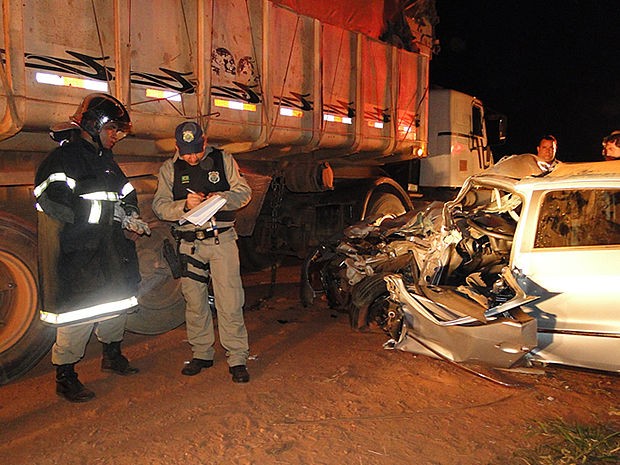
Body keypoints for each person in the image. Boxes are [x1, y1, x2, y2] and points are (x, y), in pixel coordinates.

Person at [34, 93, 150, 402]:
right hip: (78, 254)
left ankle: (111, 355)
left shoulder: (106, 161)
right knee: (79, 314)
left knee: (115, 301)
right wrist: (106, 216)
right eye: (112, 128)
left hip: (109, 250)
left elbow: (126, 191)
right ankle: (65, 375)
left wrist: (131, 214)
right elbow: (52, 201)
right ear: (93, 125)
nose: (116, 136)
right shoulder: (63, 159)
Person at [152, 121, 252, 383]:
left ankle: (237, 356)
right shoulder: (169, 169)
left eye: (196, 150)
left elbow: (244, 192)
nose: (192, 157)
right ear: (177, 147)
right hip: (190, 244)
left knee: (229, 301)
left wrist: (220, 199)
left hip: (222, 240)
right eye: (186, 152)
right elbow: (160, 206)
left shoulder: (223, 159)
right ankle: (202, 353)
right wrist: (184, 204)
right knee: (195, 302)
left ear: (205, 142)